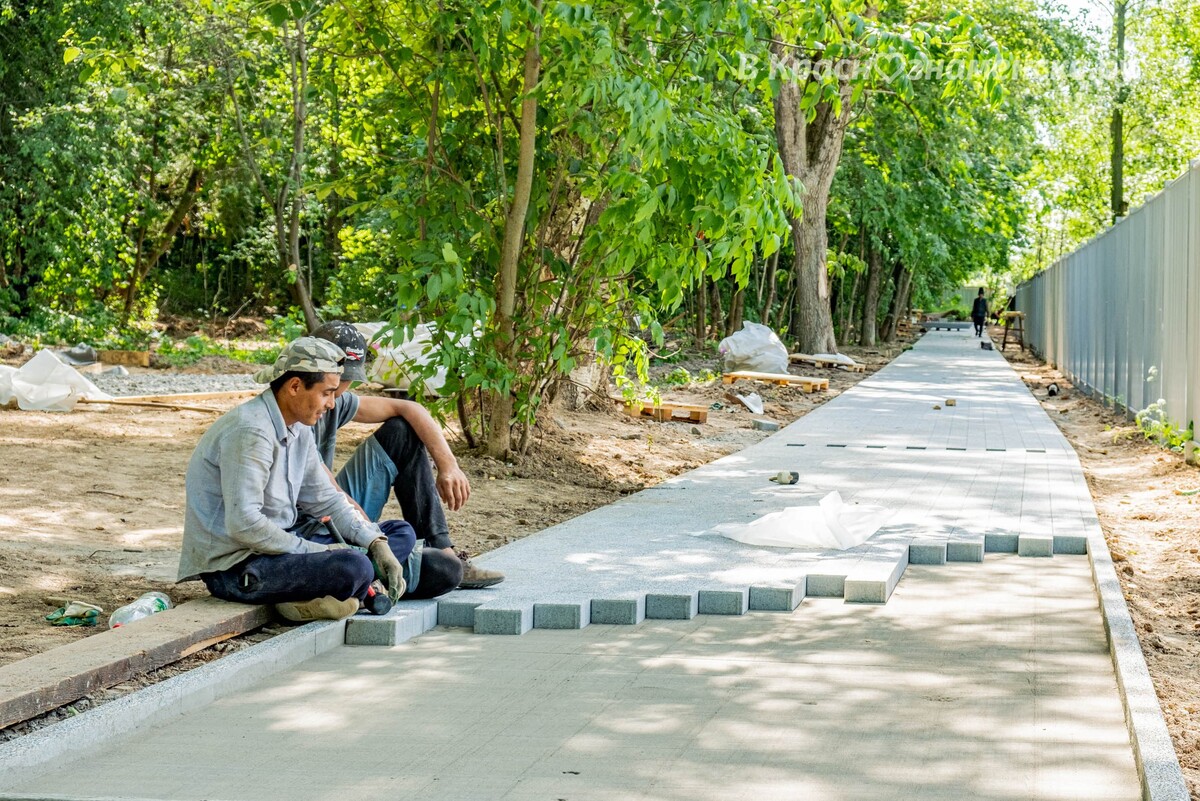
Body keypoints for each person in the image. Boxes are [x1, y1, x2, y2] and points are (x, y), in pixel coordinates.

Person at [177, 337, 412, 622]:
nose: (331, 404)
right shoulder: (251, 431)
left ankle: (321, 596)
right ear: (295, 386)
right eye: (326, 393)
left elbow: (326, 499)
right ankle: (338, 589)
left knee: (399, 533)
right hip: (238, 567)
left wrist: (375, 542)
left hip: (283, 548)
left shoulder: (299, 428)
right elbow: (245, 524)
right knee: (354, 567)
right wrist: (319, 551)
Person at [308, 321, 504, 590]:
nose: (342, 387)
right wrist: (367, 532)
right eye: (337, 379)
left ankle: (441, 546)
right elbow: (325, 489)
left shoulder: (333, 401)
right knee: (441, 573)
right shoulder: (296, 412)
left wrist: (449, 466)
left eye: (346, 378)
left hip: (334, 508)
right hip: (315, 526)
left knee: (402, 431)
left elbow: (409, 408)